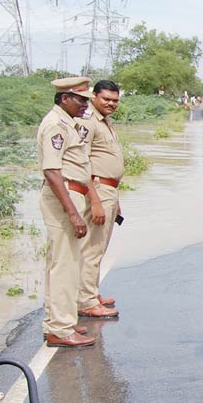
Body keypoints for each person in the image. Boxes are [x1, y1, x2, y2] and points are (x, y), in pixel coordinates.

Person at [37, 77, 98, 347]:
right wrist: (72, 213)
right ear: (65, 98)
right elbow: (52, 171)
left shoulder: (66, 123)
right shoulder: (55, 125)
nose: (86, 105)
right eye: (81, 100)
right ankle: (61, 330)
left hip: (72, 193)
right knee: (65, 266)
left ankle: (59, 323)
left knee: (64, 263)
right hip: (64, 196)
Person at [77, 80, 124, 319]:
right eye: (106, 99)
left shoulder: (105, 121)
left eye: (115, 100)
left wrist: (115, 201)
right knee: (93, 248)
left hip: (109, 191)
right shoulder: (88, 122)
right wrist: (94, 200)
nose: (111, 104)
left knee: (100, 245)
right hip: (97, 189)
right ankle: (85, 301)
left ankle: (91, 293)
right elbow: (81, 163)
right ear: (94, 96)